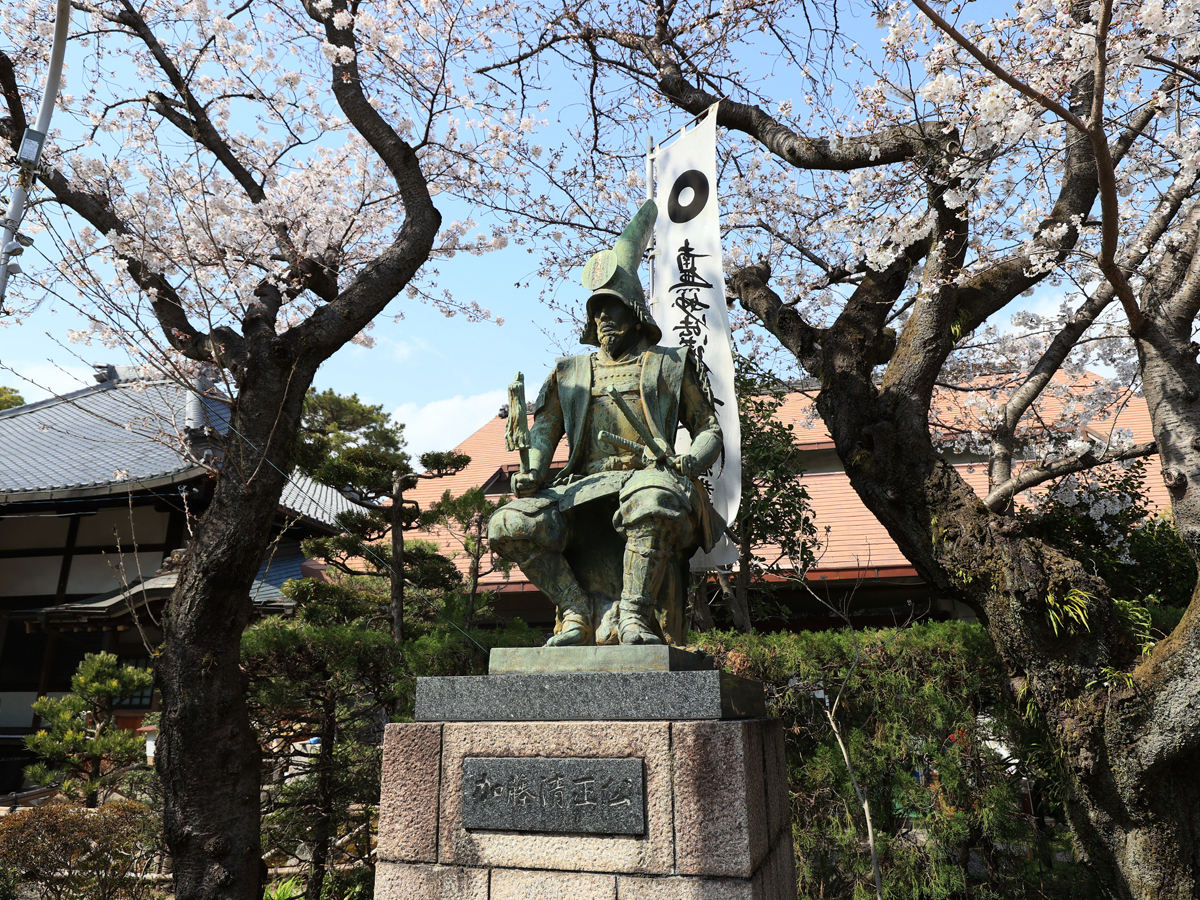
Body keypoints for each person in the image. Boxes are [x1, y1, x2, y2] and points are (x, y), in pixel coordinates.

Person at [487, 200, 724, 646]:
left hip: (653, 478)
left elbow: (709, 429)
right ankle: (575, 609)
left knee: (650, 498)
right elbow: (544, 430)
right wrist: (534, 469)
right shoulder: (570, 372)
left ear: (635, 314)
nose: (603, 318)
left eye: (612, 308)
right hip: (581, 484)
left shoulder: (669, 365)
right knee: (507, 524)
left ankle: (634, 614)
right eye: (596, 310)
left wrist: (689, 462)